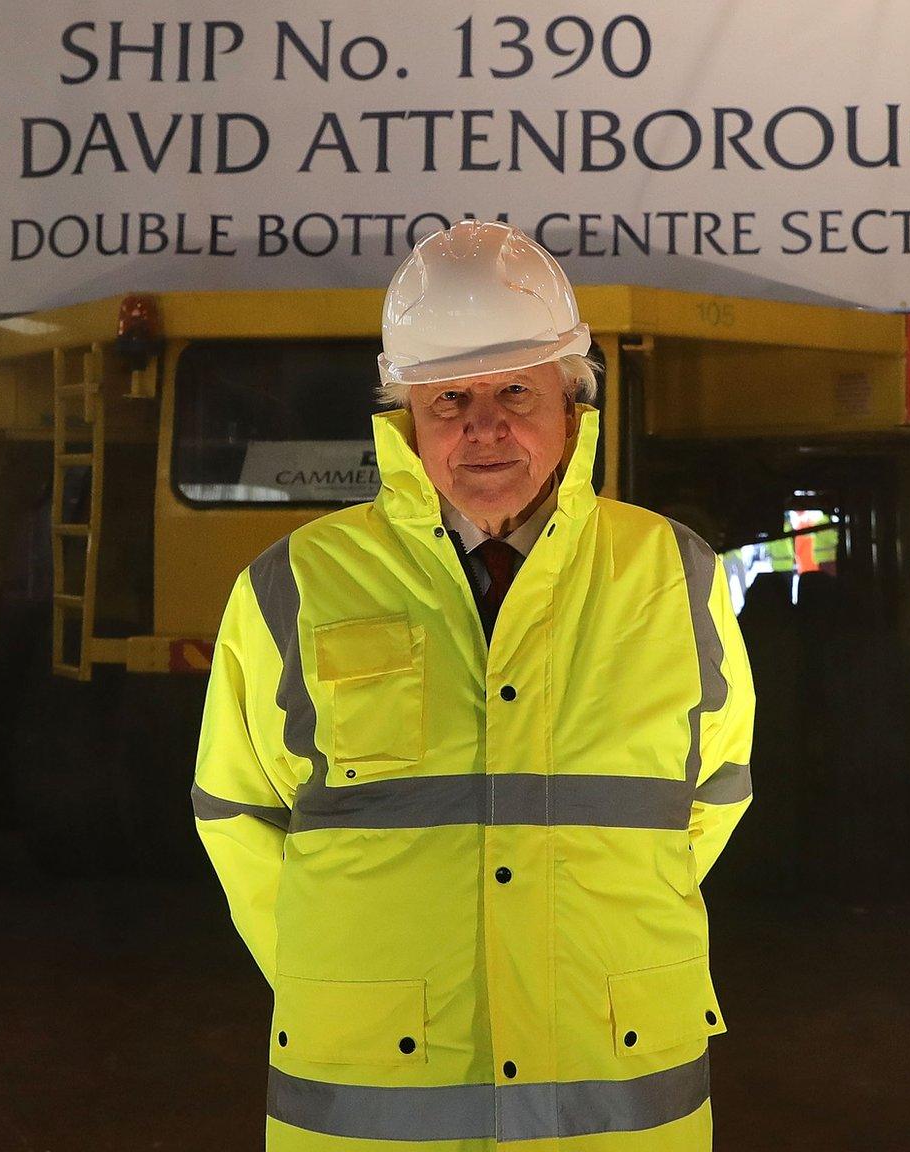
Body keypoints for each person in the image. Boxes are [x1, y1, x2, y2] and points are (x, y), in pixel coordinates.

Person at [192, 219, 754, 1151]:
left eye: (516, 392)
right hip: (373, 1098)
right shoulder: (292, 586)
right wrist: (340, 970)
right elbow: (236, 812)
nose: (484, 426)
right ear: (406, 416)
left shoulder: (672, 573)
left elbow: (714, 794)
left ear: (572, 404)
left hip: (613, 1104)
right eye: (449, 397)